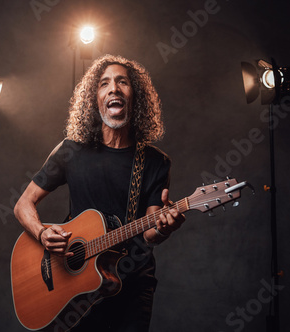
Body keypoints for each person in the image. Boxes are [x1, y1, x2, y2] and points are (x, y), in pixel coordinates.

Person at [14, 54, 186, 332]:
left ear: (136, 97)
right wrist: (42, 233)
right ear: (95, 98)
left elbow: (151, 231)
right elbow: (23, 204)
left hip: (131, 283)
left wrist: (166, 228)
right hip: (74, 284)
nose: (114, 89)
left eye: (123, 83)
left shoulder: (155, 162)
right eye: (104, 84)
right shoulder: (71, 150)